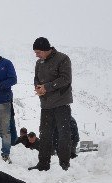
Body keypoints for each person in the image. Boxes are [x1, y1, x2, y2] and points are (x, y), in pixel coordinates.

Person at [30, 37, 74, 171]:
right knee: (44, 135)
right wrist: (38, 87)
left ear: (45, 49)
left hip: (61, 103)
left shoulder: (63, 59)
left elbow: (66, 79)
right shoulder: (39, 63)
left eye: (38, 52)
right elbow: (36, 79)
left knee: (63, 134)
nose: (36, 55)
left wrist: (47, 87)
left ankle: (64, 165)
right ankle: (43, 164)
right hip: (46, 104)